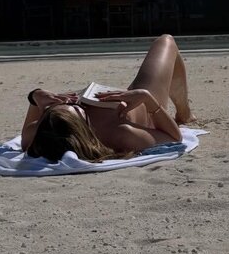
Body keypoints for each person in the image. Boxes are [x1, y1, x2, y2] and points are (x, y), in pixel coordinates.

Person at [21, 34, 196, 162]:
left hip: (125, 98)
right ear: (83, 126)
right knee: (166, 42)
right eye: (77, 108)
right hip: (143, 106)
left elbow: (24, 139)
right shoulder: (119, 134)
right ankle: (184, 113)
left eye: (61, 104)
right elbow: (174, 138)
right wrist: (146, 98)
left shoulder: (40, 134)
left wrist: (35, 97)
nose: (74, 101)